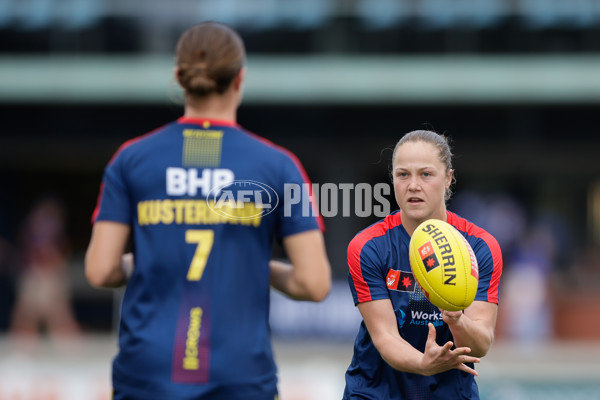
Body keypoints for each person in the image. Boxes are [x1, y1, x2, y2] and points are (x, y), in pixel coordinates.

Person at [85, 21, 331, 400]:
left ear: (178, 77)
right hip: (239, 374)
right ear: (240, 79)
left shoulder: (130, 159)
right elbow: (313, 284)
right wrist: (247, 265)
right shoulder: (279, 166)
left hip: (147, 372)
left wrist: (144, 261)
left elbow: (101, 270)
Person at [344, 130, 503, 399]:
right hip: (376, 392)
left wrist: (456, 319)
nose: (413, 185)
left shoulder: (480, 246)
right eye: (403, 174)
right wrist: (423, 364)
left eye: (426, 174)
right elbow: (385, 337)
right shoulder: (367, 246)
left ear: (448, 179)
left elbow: (481, 344)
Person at [10, 196, 81, 342]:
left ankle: (71, 352)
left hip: (51, 279)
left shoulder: (56, 234)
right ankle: (23, 353)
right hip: (34, 277)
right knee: (26, 317)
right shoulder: (31, 230)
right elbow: (25, 255)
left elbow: (60, 257)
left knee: (59, 316)